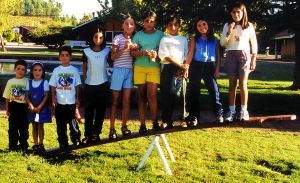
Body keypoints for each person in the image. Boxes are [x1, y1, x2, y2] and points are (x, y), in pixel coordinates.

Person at [220, 2, 257, 121]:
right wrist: (229, 31)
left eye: (238, 12)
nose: (236, 14)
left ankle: (243, 111)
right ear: (230, 13)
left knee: (243, 84)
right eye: (233, 12)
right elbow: (222, 43)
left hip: (244, 55)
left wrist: (253, 59)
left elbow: (254, 43)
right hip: (231, 54)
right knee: (232, 85)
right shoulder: (227, 25)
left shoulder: (249, 26)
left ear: (243, 12)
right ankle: (231, 112)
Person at [185, 16, 224, 126]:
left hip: (209, 66)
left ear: (208, 25)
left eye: (204, 24)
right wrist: (186, 67)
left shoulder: (214, 39)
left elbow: (218, 56)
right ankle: (194, 117)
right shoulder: (194, 39)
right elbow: (190, 54)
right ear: (196, 28)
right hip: (196, 66)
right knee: (194, 91)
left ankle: (219, 114)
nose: (202, 27)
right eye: (199, 25)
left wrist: (217, 70)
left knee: (214, 90)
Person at [131, 11, 164, 133]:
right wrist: (143, 52)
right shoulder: (138, 35)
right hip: (139, 67)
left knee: (152, 95)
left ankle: (155, 122)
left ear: (155, 22)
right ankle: (142, 125)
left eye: (151, 21)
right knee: (141, 96)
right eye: (146, 21)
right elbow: (132, 53)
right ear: (143, 22)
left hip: (154, 68)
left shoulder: (161, 35)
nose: (149, 23)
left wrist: (157, 54)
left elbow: (165, 51)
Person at [109, 15, 139, 139]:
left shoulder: (135, 39)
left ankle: (124, 126)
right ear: (122, 25)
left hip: (129, 71)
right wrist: (125, 48)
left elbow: (135, 55)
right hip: (118, 71)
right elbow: (113, 57)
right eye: (126, 23)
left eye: (131, 24)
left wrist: (134, 49)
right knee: (115, 101)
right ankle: (112, 129)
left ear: (134, 26)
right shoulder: (118, 38)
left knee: (126, 101)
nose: (129, 26)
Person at [158, 14, 189, 129]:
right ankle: (166, 120)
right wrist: (179, 64)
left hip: (181, 68)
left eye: (175, 25)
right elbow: (165, 56)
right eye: (170, 25)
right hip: (168, 68)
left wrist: (183, 67)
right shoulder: (164, 39)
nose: (173, 27)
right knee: (167, 94)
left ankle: (184, 119)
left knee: (183, 94)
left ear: (179, 26)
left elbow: (186, 54)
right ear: (167, 26)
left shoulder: (183, 39)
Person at [49, 46, 82, 152]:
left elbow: (77, 85)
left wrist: (77, 98)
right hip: (60, 103)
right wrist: (53, 98)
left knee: (73, 123)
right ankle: (63, 142)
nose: (64, 57)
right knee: (61, 125)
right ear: (59, 57)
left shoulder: (74, 70)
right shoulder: (56, 70)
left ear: (70, 57)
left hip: (71, 102)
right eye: (62, 55)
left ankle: (76, 139)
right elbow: (53, 85)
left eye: (66, 55)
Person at [82, 28, 110, 143]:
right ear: (91, 38)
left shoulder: (107, 51)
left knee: (100, 111)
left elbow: (112, 61)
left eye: (101, 37)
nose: (98, 39)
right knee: (88, 111)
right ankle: (88, 134)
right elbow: (84, 66)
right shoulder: (86, 51)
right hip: (89, 85)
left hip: (103, 84)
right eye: (95, 37)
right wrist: (85, 78)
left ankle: (96, 133)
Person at [25, 62, 52, 154]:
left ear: (42, 72)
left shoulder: (44, 82)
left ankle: (41, 144)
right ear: (32, 72)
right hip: (32, 108)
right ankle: (35, 144)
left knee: (40, 125)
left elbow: (46, 95)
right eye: (35, 70)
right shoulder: (29, 83)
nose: (37, 72)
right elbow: (26, 96)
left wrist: (39, 107)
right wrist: (31, 106)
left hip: (42, 108)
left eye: (39, 70)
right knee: (34, 125)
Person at [2, 59, 29, 151]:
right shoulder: (10, 82)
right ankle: (12, 146)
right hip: (13, 106)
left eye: (23, 69)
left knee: (24, 128)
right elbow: (7, 97)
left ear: (25, 71)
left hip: (24, 107)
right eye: (18, 68)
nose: (20, 71)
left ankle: (23, 145)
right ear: (14, 69)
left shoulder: (27, 81)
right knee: (12, 128)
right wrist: (7, 110)